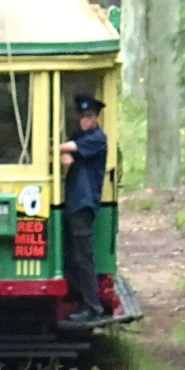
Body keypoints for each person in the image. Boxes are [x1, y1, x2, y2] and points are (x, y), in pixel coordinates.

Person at [58, 93, 109, 324]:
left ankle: (92, 306)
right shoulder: (82, 137)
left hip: (83, 203)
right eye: (82, 116)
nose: (84, 120)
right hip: (75, 203)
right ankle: (82, 302)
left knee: (83, 257)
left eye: (89, 116)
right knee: (74, 256)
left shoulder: (97, 138)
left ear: (96, 118)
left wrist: (51, 148)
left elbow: (69, 148)